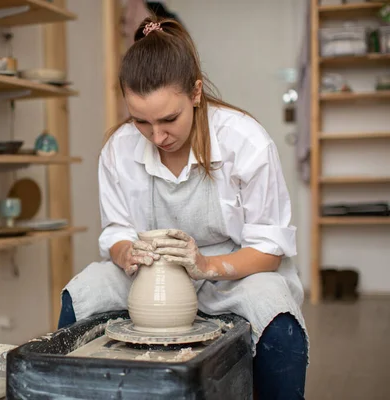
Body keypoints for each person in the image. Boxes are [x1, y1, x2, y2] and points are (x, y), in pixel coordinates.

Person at [59, 16, 308, 399]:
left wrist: (206, 267)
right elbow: (117, 232)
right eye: (140, 120)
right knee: (83, 293)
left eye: (169, 119)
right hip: (150, 271)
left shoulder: (245, 141)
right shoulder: (119, 149)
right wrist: (127, 254)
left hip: (235, 273)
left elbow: (269, 248)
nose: (157, 136)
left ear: (195, 93)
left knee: (278, 320)